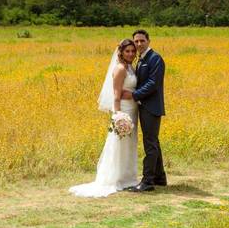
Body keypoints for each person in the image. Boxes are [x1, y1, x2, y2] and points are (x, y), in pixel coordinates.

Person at [69, 39, 139, 197]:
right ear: (120, 52)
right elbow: (116, 95)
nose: (131, 54)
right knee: (119, 143)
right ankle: (114, 178)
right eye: (127, 51)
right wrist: (118, 115)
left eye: (133, 51)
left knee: (129, 143)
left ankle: (127, 177)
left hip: (133, 109)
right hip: (124, 110)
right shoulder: (120, 68)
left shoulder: (130, 67)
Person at [122, 29, 166, 191]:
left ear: (148, 41)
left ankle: (147, 182)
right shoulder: (141, 59)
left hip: (152, 106)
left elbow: (153, 83)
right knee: (153, 141)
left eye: (142, 41)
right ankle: (159, 177)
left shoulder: (155, 59)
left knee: (150, 143)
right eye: (137, 41)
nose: (139, 44)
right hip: (144, 105)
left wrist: (134, 95)